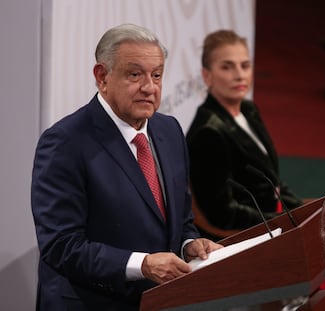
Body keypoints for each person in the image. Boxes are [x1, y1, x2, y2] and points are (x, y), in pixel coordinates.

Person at [186, 29, 325, 311]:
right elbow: (222, 213)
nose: (239, 75)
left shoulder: (249, 111)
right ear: (207, 76)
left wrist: (308, 212)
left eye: (245, 65)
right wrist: (290, 225)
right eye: (226, 67)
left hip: (277, 226)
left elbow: (273, 181)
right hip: (249, 242)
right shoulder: (207, 133)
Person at [31, 23, 222, 311]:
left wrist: (189, 244)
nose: (149, 87)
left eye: (156, 75)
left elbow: (180, 221)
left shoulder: (169, 131)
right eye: (135, 74)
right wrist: (142, 265)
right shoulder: (64, 143)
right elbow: (61, 246)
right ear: (102, 76)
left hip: (160, 302)